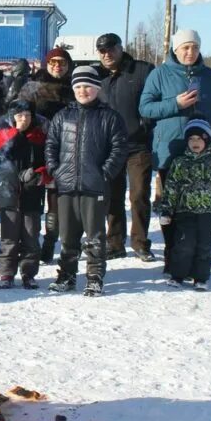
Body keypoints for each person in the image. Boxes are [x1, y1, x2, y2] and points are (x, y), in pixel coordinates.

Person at [139, 29, 211, 278]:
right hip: (171, 151)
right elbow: (145, 107)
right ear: (175, 49)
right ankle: (172, 258)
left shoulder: (208, 75)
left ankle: (193, 261)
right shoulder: (160, 74)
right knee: (172, 209)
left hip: (203, 156)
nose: (190, 52)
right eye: (185, 47)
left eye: (195, 48)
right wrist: (175, 104)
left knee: (198, 209)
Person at [46, 66, 128, 296]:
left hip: (95, 186)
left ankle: (94, 277)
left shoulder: (109, 117)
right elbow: (51, 144)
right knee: (68, 235)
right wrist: (55, 170)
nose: (83, 91)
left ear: (96, 89)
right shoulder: (62, 116)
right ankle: (67, 276)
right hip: (67, 186)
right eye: (79, 87)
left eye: (88, 87)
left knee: (94, 236)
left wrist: (105, 172)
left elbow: (120, 147)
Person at [95, 32, 156, 262]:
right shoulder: (98, 76)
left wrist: (146, 126)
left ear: (121, 48)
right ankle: (115, 243)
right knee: (113, 196)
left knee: (139, 194)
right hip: (110, 147)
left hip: (138, 144)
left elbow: (154, 100)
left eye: (111, 49)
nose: (107, 54)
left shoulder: (141, 70)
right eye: (102, 51)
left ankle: (140, 243)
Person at [156, 119, 211, 290]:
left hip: (209, 212)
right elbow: (171, 187)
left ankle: (201, 277)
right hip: (185, 211)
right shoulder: (180, 162)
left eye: (199, 139)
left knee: (204, 245)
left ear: (207, 140)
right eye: (191, 139)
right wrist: (167, 210)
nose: (195, 143)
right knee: (184, 244)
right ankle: (178, 275)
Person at [20, 46, 75, 264]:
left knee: (56, 202)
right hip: (36, 149)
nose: (57, 67)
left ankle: (50, 242)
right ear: (47, 64)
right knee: (31, 200)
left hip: (64, 151)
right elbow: (17, 113)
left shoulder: (74, 87)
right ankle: (29, 245)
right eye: (53, 63)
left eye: (62, 63)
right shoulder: (32, 87)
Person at [0, 99, 48, 289]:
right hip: (8, 194)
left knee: (31, 237)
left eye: (28, 115)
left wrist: (40, 174)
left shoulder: (39, 137)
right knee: (9, 237)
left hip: (32, 194)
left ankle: (29, 273)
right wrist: (15, 131)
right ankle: (6, 274)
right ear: (12, 117)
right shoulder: (5, 134)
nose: (24, 119)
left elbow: (49, 162)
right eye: (20, 115)